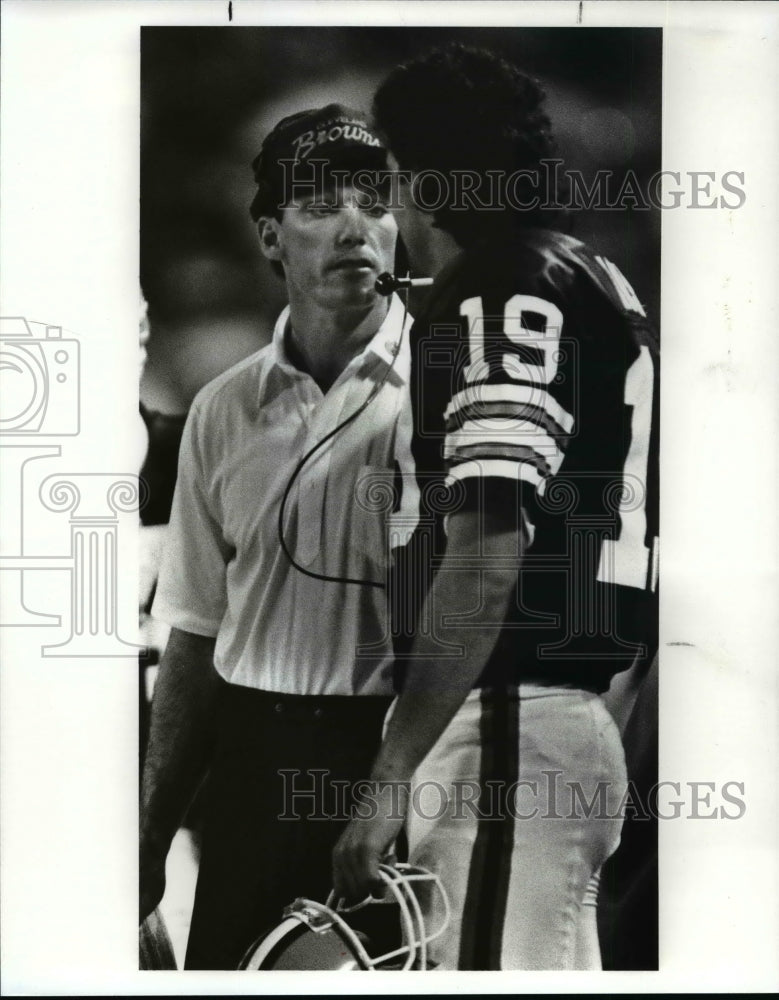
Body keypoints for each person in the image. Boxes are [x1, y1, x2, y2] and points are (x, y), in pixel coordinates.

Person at [332, 45, 660, 971]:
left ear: (421, 176)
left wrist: (390, 774)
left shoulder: (503, 286)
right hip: (551, 720)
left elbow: (487, 544)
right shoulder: (581, 274)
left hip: (509, 725)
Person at [139, 104, 416, 970]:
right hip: (252, 765)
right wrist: (148, 829)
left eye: (373, 202)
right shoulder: (223, 406)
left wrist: (395, 787)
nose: (353, 228)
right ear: (269, 235)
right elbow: (193, 629)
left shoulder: (445, 385)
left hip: (394, 754)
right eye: (319, 205)